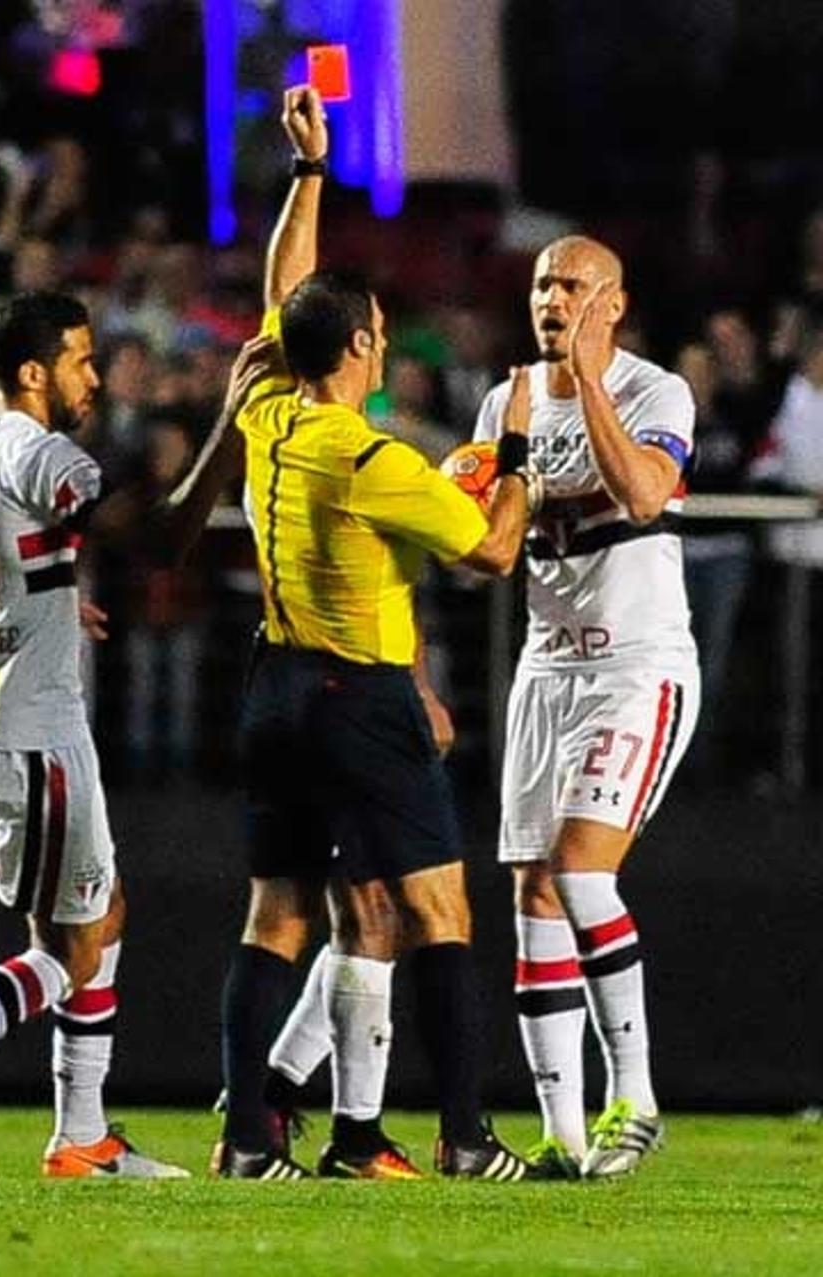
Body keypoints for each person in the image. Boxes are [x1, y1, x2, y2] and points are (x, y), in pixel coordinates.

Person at [0, 289, 274, 1179]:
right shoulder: (41, 453)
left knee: (91, 919)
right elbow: (159, 542)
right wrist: (231, 434)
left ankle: (81, 1136)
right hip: (36, 726)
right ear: (35, 371)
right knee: (76, 948)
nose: (93, 376)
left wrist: (5, 609)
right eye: (80, 358)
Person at [186, 87, 537, 1181]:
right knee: (438, 904)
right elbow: (489, 551)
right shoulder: (367, 454)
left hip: (276, 683)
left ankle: (260, 1136)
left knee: (283, 913)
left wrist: (308, 174)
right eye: (378, 334)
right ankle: (467, 1135)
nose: (386, 346)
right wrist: (515, 459)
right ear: (354, 349)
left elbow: (287, 296)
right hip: (359, 690)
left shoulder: (269, 412)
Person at [467, 235, 703, 1179]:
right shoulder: (503, 400)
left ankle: (634, 1097)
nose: (551, 300)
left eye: (571, 286)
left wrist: (585, 386)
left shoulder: (655, 392)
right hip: (546, 665)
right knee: (532, 890)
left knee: (580, 869)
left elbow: (646, 495)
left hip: (636, 666)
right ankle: (561, 1133)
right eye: (540, 284)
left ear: (611, 302)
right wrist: (478, 477)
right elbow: (489, 541)